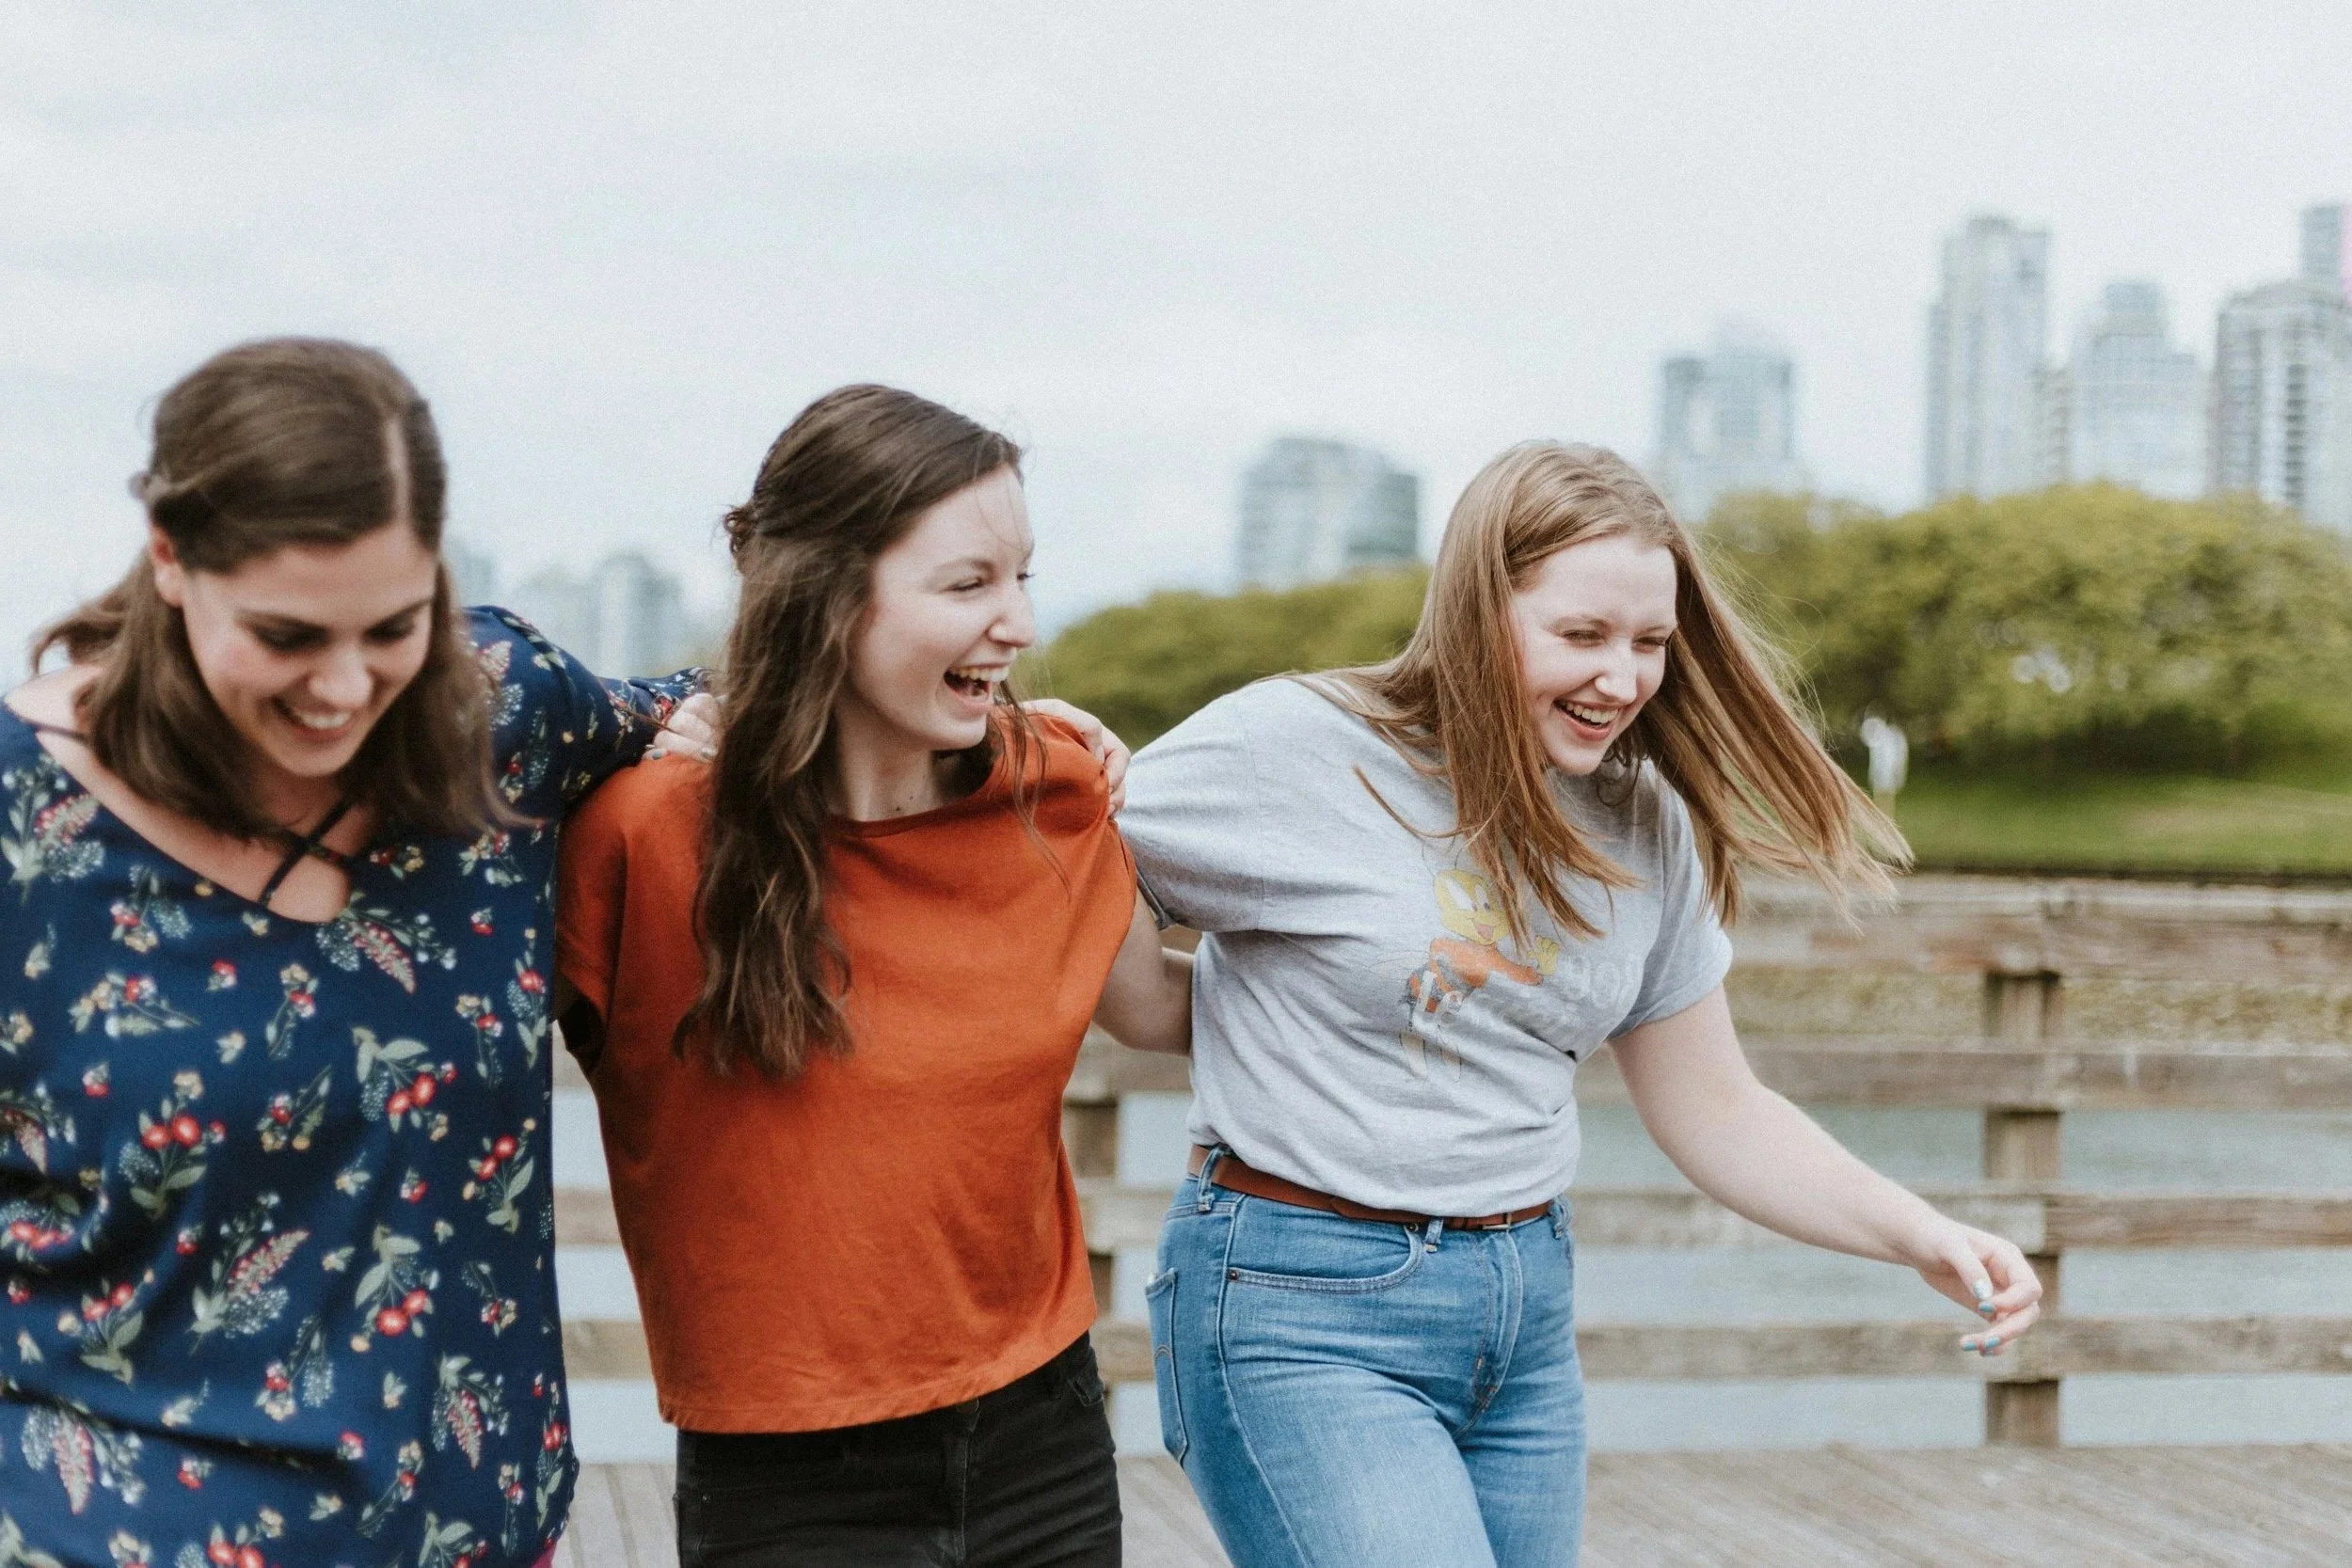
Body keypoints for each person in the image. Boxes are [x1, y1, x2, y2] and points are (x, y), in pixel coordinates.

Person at [0, 340, 1134, 1568]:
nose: (344, 686)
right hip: (130, 1529)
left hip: (482, 1525)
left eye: (395, 624)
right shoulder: (25, 828)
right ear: (170, 557)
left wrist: (1001, 710)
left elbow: (762, 695)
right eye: (285, 634)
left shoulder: (501, 711)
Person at [1118, 442, 2044, 1568]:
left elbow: (1716, 1107)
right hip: (1298, 1310)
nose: (1624, 677)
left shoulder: (1643, 818)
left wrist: (1922, 1233)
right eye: (1581, 635)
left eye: (1650, 641)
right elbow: (1072, 889)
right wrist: (1173, 971)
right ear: (1475, 613)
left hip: (1521, 1322)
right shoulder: (1298, 749)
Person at [553, 384, 1192, 1568]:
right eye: (967, 584)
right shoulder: (643, 833)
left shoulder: (1053, 791)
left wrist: (1410, 979)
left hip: (1042, 1430)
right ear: (827, 598)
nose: (1015, 622)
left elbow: (1162, 1010)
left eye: (1022, 577)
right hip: (786, 1474)